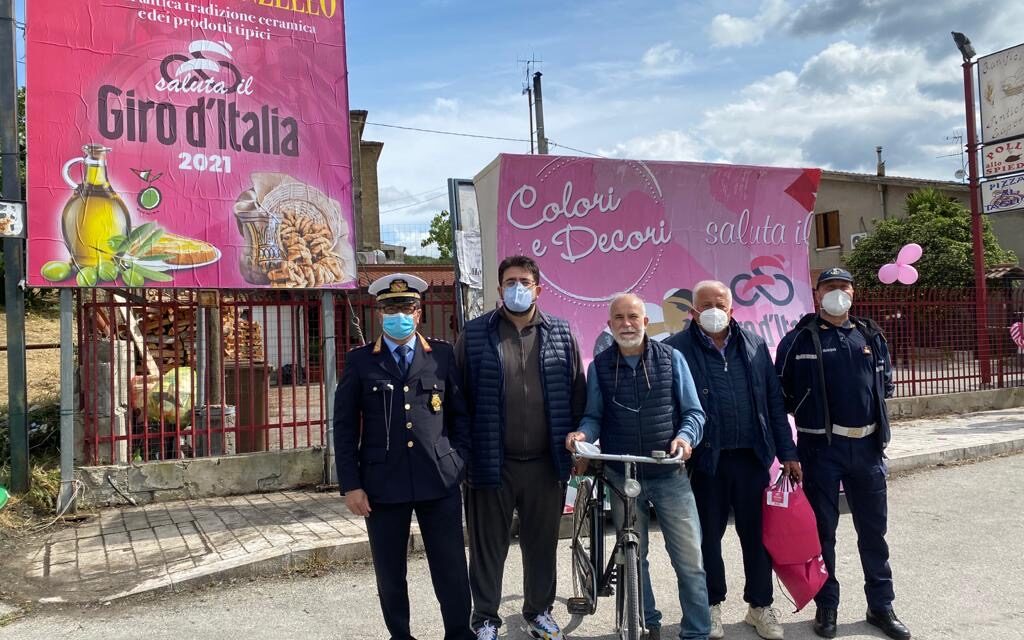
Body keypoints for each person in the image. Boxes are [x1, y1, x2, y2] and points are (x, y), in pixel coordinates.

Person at [334, 273, 474, 640]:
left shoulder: (442, 355)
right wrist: (351, 485)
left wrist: (458, 462)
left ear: (419, 312)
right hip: (382, 485)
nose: (400, 315)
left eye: (407, 307)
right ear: (379, 314)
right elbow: (345, 428)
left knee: (451, 569)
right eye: (391, 308)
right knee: (390, 573)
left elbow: (461, 417)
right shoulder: (361, 361)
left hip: (439, 479)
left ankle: (459, 633)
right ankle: (401, 635)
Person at [774, 268, 911, 640]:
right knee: (823, 534)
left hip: (867, 448)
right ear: (817, 295)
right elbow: (780, 398)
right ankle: (826, 606)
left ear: (853, 293)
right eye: (829, 288)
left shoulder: (871, 335)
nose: (837, 294)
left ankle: (880, 605)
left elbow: (885, 385)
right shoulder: (798, 340)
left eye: (843, 288)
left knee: (873, 532)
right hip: (821, 450)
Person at [456, 255, 587, 640]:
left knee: (542, 543)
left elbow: (576, 394)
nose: (518, 287)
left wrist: (577, 448)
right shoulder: (476, 334)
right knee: (487, 546)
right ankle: (484, 619)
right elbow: (459, 399)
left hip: (546, 463)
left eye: (524, 281)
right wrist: (464, 454)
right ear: (499, 290)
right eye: (510, 281)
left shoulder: (561, 333)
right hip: (490, 460)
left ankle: (539, 613)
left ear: (538, 288)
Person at [566, 292, 710, 640]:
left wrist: (685, 438)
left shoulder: (672, 358)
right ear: (609, 324)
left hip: (669, 474)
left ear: (646, 322)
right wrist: (582, 434)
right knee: (635, 555)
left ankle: (697, 631)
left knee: (689, 561)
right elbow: (594, 416)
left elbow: (694, 413)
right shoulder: (599, 366)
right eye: (619, 318)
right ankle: (647, 623)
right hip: (621, 475)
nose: (627, 324)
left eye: (633, 317)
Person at [664, 280, 801, 640]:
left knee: (756, 536)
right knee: (707, 537)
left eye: (719, 304)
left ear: (731, 309)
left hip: (752, 458)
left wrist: (787, 452)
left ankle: (760, 606)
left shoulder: (754, 346)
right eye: (704, 304)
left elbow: (773, 404)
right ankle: (711, 605)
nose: (712, 310)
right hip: (706, 462)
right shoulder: (675, 349)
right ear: (693, 312)